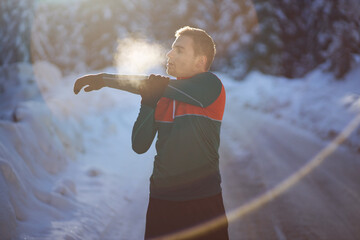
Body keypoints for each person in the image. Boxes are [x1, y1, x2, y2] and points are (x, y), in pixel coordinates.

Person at [74, 26, 228, 240]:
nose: (169, 54)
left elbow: (159, 86)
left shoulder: (210, 86)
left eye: (180, 50)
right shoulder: (161, 96)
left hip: (203, 203)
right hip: (162, 202)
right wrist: (147, 103)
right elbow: (139, 145)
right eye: (172, 48)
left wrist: (106, 79)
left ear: (200, 61)